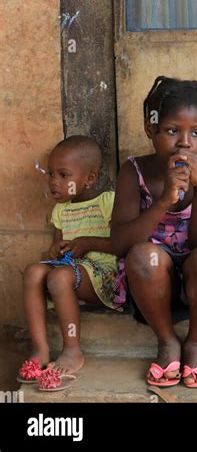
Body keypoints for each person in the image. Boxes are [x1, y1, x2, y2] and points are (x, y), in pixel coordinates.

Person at [111, 76, 197, 389]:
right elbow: (120, 243)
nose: (185, 142)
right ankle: (167, 341)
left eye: (196, 133)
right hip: (155, 277)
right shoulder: (134, 170)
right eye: (173, 131)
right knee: (143, 257)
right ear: (151, 128)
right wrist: (163, 201)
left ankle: (196, 343)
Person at [18, 136, 120, 390]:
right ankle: (40, 349)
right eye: (51, 174)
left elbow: (121, 245)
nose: (54, 181)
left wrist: (86, 244)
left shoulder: (107, 202)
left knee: (60, 276)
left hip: (104, 276)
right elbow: (56, 249)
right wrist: (56, 249)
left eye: (64, 175)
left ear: (90, 178)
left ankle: (72, 349)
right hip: (71, 270)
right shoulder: (60, 211)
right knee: (33, 272)